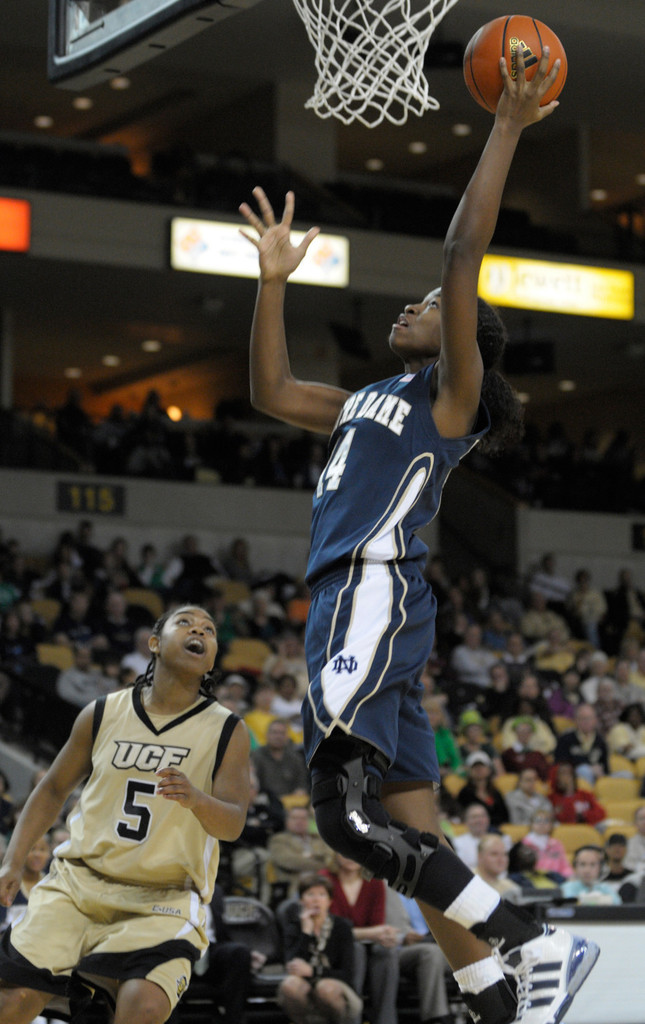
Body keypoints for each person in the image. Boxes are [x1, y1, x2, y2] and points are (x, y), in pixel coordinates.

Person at [240, 49, 597, 1024]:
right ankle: (492, 998)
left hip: (371, 589)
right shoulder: (366, 398)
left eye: (432, 309)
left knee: (342, 816)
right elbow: (271, 391)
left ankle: (536, 940)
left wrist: (507, 126)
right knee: (411, 832)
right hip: (364, 602)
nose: (414, 305)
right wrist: (272, 282)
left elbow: (458, 256)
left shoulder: (450, 399)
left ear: (464, 338)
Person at [0, 604, 250, 1024]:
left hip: (162, 898)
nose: (199, 631)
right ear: (154, 643)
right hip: (78, 884)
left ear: (211, 660)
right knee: (11, 1001)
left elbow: (234, 823)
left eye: (209, 629)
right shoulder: (102, 712)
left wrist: (197, 800)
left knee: (144, 1006)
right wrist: (13, 859)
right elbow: (53, 788)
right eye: (185, 623)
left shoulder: (227, 729)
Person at [321, 852, 399, 1024]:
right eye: (344, 851)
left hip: (369, 946)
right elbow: (330, 929)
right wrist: (371, 933)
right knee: (354, 950)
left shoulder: (375, 881)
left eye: (355, 851)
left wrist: (385, 935)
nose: (350, 856)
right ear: (334, 853)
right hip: (332, 947)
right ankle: (352, 1019)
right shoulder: (325, 879)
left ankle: (386, 1020)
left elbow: (377, 924)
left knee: (388, 952)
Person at [277, 871, 362, 1024]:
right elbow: (292, 965)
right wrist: (306, 933)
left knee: (325, 988)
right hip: (305, 987)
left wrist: (313, 971)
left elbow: (346, 973)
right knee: (290, 985)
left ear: (330, 901)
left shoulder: (342, 927)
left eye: (322, 895)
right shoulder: (294, 927)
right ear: (301, 900)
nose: (316, 900)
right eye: (310, 894)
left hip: (336, 986)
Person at [521, 809, 573, 882]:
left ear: (551, 825)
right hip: (532, 880)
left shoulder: (556, 844)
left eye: (546, 821)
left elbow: (564, 866)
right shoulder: (523, 844)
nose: (541, 824)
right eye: (538, 820)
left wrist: (570, 876)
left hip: (556, 879)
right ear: (531, 824)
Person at [547, 762, 606, 827]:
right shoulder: (551, 799)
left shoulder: (585, 795)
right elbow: (567, 819)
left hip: (589, 828)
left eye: (570, 773)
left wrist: (584, 815)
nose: (568, 776)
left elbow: (601, 813)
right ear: (556, 778)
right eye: (563, 773)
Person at [474, 835, 522, 903]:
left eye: (504, 854)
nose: (501, 859)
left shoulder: (510, 888)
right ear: (480, 857)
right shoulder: (467, 882)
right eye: (494, 854)